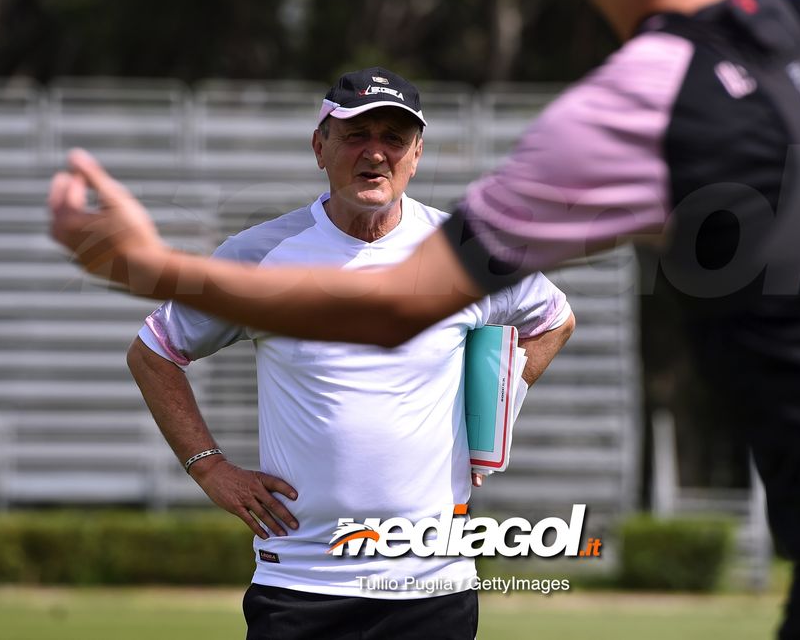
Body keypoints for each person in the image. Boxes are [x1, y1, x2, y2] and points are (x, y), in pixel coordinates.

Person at [49, 0, 800, 637]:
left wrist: (153, 263)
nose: (377, 151)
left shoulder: (623, 112)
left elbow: (391, 310)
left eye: (395, 137)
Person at [123, 67, 575, 640]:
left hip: (432, 586)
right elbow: (154, 353)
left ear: (416, 155)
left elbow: (553, 319)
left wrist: (492, 419)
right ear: (320, 146)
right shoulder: (259, 254)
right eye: (356, 135)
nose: (376, 154)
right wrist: (208, 467)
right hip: (301, 584)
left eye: (394, 139)